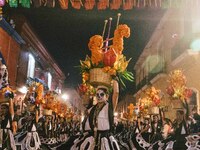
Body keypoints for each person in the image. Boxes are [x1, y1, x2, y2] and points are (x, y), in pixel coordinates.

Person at [70, 80, 120, 150]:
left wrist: (115, 80)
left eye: (102, 94)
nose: (99, 96)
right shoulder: (92, 109)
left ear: (107, 96)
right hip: (92, 138)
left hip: (105, 139)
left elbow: (116, 93)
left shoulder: (109, 107)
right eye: (97, 95)